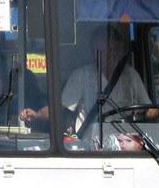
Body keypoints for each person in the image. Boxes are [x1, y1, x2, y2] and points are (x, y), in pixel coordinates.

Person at [20, 24, 152, 148]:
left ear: (116, 50)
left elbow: (147, 108)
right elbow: (59, 107)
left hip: (125, 146)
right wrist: (37, 114)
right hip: (91, 146)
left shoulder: (131, 75)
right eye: (94, 51)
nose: (97, 55)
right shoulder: (82, 75)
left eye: (103, 51)